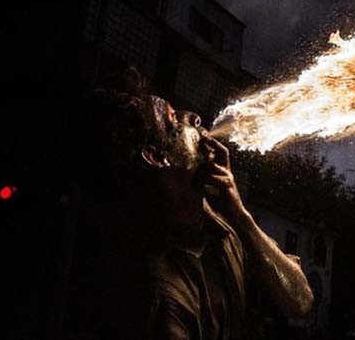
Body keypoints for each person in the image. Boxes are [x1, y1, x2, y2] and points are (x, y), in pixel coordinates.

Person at [70, 68, 313, 340]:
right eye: (175, 119)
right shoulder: (157, 293)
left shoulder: (222, 227)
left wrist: (240, 215)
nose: (194, 117)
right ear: (155, 156)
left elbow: (299, 301)